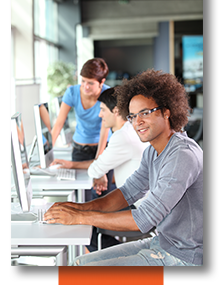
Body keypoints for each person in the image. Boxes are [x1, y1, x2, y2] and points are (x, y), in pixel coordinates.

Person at [44, 69, 203, 266]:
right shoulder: (153, 151)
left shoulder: (181, 155)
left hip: (185, 256)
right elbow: (127, 192)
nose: (138, 122)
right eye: (133, 116)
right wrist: (79, 207)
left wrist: (80, 216)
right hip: (162, 242)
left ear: (167, 111)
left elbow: (144, 219)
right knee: (80, 263)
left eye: (145, 113)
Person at [51, 87, 148, 251]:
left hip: (138, 206)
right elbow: (99, 165)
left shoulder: (123, 136)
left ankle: (123, 259)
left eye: (102, 110)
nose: (100, 115)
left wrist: (100, 171)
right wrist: (74, 165)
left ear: (115, 111)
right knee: (86, 209)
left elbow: (95, 169)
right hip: (134, 198)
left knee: (83, 226)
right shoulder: (128, 131)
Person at [51, 58, 113, 199]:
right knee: (82, 197)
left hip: (103, 149)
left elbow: (105, 130)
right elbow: (59, 123)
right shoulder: (72, 92)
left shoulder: (108, 94)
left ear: (101, 82)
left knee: (102, 197)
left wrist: (100, 167)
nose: (85, 86)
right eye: (83, 81)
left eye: (90, 83)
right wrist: (47, 152)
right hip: (80, 150)